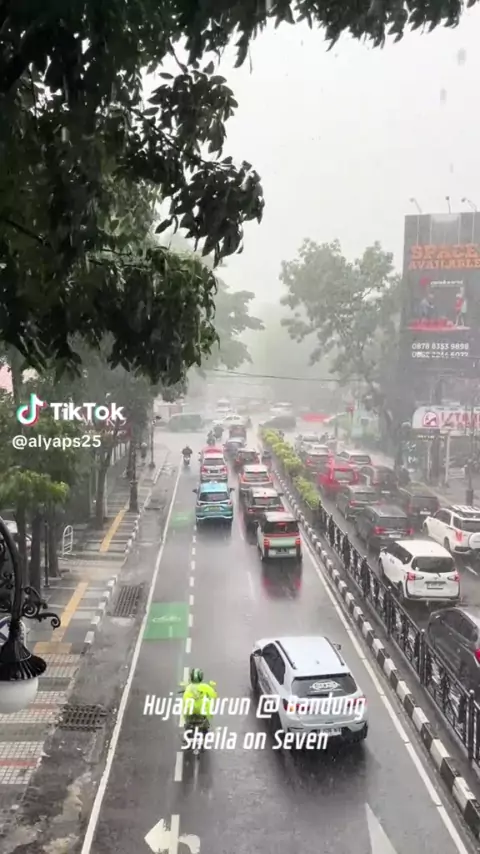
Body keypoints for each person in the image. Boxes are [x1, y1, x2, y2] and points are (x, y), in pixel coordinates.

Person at [180, 668, 218, 735]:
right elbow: (213, 695)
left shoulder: (188, 688)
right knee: (208, 728)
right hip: (202, 715)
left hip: (190, 715)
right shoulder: (206, 687)